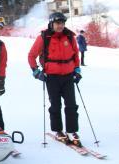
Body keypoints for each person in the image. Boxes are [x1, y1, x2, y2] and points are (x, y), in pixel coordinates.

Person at [27, 12, 83, 146]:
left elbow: (75, 54)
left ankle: (71, 131)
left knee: (71, 105)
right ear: (52, 23)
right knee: (55, 105)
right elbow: (31, 55)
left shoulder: (69, 36)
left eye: (62, 23)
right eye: (58, 23)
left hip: (68, 76)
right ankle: (58, 130)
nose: (60, 26)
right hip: (51, 77)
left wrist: (77, 70)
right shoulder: (44, 37)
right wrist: (36, 71)